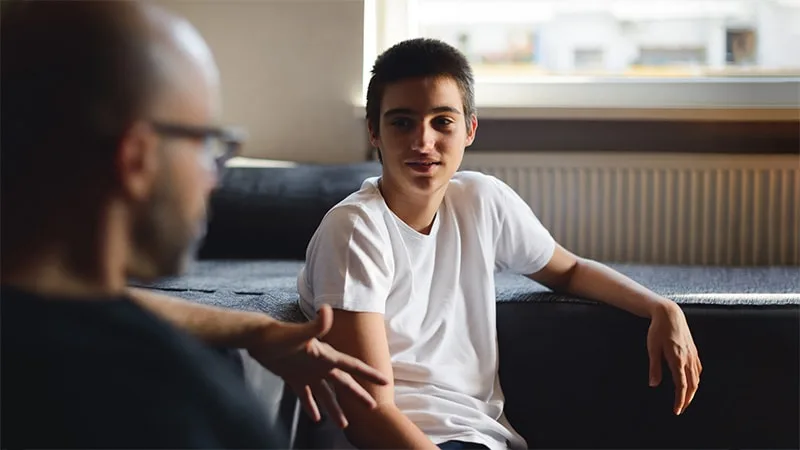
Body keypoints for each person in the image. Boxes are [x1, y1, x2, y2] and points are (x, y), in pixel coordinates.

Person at [0, 2, 387, 448]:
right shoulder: (174, 405)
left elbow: (76, 299)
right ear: (137, 158)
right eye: (207, 143)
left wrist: (256, 329)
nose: (214, 175)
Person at [297, 38, 703, 450]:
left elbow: (569, 270)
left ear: (470, 129)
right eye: (402, 122)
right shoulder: (354, 230)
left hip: (480, 436)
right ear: (374, 132)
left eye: (442, 122)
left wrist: (661, 307)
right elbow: (369, 411)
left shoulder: (481, 200)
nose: (423, 142)